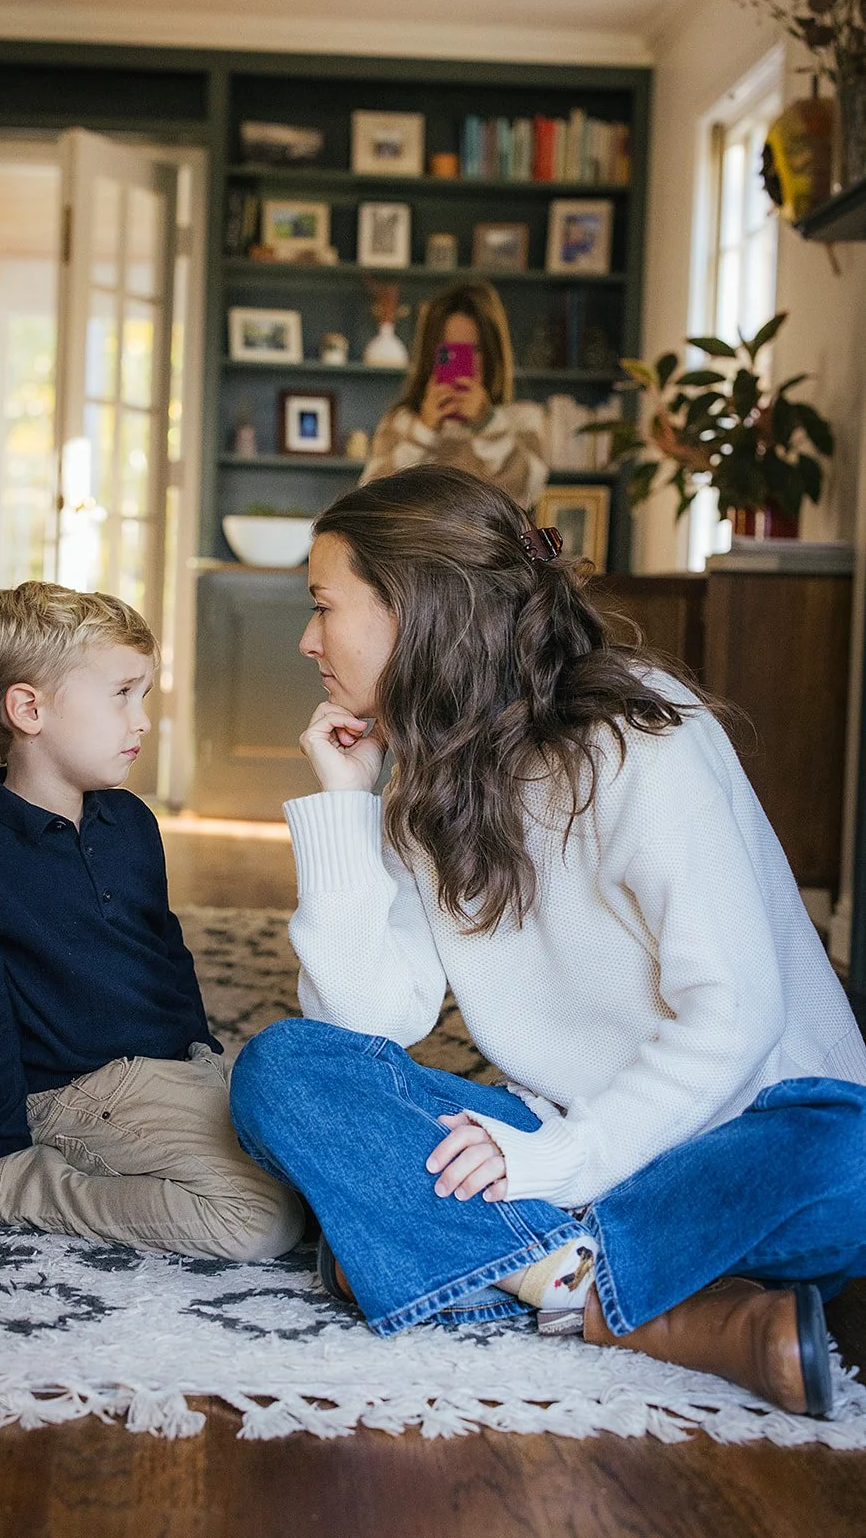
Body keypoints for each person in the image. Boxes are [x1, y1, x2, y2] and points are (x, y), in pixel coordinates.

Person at [228, 465, 866, 1417]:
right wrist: (345, 807)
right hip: (563, 1142)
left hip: (750, 1135)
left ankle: (491, 1261)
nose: (307, 638)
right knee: (282, 1072)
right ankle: (634, 1306)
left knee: (852, 1165)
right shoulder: (424, 769)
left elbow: (738, 1017)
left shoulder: (636, 737)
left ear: (413, 609)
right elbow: (369, 1023)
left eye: (324, 605)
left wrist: (560, 1166)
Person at [0, 581, 303, 1263]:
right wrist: (5, 1155)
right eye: (122, 694)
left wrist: (202, 1055)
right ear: (29, 709)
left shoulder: (130, 821)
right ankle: (23, 1189)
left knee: (327, 1148)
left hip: (175, 1069)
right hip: (77, 1093)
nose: (143, 720)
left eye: (144, 695)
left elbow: (164, 949)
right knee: (260, 1222)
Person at [360, 278, 547, 505]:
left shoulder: (522, 419)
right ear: (430, 353)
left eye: (473, 350)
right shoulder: (401, 422)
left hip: (487, 541)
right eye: (448, 351)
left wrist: (487, 423)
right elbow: (371, 501)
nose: (461, 362)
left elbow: (527, 492)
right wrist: (423, 431)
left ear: (492, 352)